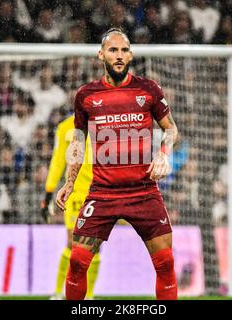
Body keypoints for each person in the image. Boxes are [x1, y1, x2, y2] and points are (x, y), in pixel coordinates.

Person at [54, 28, 178, 300]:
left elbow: (170, 129)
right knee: (77, 261)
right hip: (102, 193)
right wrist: (70, 183)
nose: (119, 55)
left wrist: (164, 153)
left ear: (131, 55)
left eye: (124, 50)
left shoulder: (149, 90)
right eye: (113, 50)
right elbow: (77, 140)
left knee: (166, 263)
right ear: (101, 55)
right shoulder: (86, 95)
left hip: (144, 192)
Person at [41, 111, 100, 300]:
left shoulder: (104, 124)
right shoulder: (66, 127)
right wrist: (49, 191)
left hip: (100, 193)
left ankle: (89, 296)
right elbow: (58, 161)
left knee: (95, 246)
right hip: (76, 193)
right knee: (73, 243)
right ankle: (59, 292)